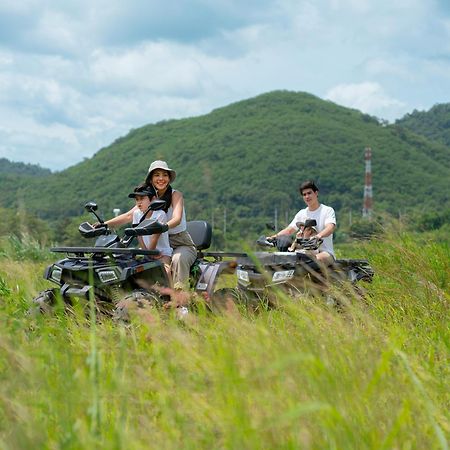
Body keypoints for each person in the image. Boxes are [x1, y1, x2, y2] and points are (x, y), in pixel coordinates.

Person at [106, 160, 196, 289]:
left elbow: (177, 218)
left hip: (179, 241)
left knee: (177, 260)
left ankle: (180, 301)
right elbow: (129, 215)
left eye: (165, 175)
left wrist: (162, 228)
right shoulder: (147, 197)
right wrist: (104, 224)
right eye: (157, 175)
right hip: (156, 243)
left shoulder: (175, 195)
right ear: (151, 179)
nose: (161, 178)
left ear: (169, 178)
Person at [270, 180, 336, 264]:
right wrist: (273, 237)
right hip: (305, 252)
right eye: (304, 194)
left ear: (316, 193)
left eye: (309, 193)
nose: (307, 196)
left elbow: (330, 228)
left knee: (312, 260)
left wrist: (318, 236)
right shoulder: (301, 213)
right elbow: (289, 230)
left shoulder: (327, 210)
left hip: (325, 252)